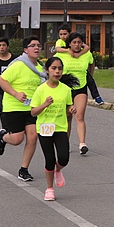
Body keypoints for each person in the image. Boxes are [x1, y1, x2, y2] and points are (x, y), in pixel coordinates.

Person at [0, 36, 46, 181]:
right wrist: (16, 94)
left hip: (31, 108)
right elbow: (1, 80)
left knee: (33, 136)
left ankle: (24, 169)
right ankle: (3, 137)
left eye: (38, 45)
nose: (37, 48)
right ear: (25, 50)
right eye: (33, 45)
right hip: (13, 107)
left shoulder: (41, 68)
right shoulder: (18, 65)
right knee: (17, 139)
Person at [30, 57, 78, 201]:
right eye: (54, 68)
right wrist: (44, 104)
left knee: (64, 158)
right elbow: (33, 112)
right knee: (49, 159)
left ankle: (59, 169)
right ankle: (49, 188)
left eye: (60, 69)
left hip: (60, 128)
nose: (57, 72)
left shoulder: (66, 90)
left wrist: (72, 109)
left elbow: (69, 107)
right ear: (47, 70)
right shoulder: (40, 90)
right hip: (44, 128)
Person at [55, 32, 94, 155]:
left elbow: (91, 64)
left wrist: (89, 76)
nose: (77, 45)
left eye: (79, 42)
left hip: (81, 88)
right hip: (66, 89)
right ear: (69, 44)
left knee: (80, 115)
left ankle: (82, 144)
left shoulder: (87, 54)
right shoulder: (61, 55)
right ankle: (65, 143)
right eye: (74, 42)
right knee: (67, 117)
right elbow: (54, 67)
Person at [55, 24, 104, 105]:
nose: (63, 36)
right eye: (61, 34)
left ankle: (96, 96)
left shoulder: (77, 39)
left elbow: (87, 48)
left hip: (81, 78)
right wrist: (68, 51)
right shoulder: (60, 42)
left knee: (90, 79)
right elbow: (57, 49)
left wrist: (79, 54)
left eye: (65, 34)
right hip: (67, 81)